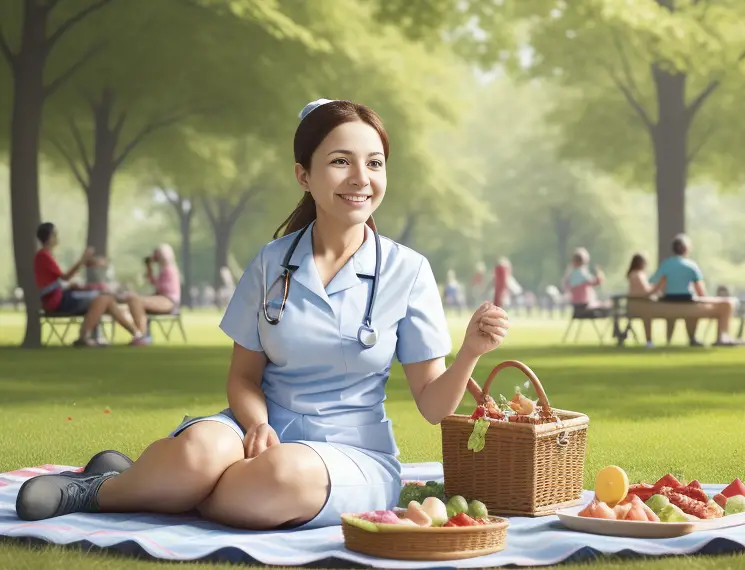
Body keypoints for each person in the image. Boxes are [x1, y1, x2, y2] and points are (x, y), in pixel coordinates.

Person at [16, 99, 510, 530]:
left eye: (375, 163)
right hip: (258, 431)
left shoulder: (408, 270)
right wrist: (254, 425)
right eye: (341, 162)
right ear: (304, 175)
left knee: (279, 477)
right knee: (199, 453)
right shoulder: (272, 263)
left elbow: (432, 407)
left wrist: (469, 351)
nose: (361, 178)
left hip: (351, 454)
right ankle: (99, 489)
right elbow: (244, 378)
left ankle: (160, 484)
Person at [33, 222, 148, 347]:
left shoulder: (46, 256)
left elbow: (56, 281)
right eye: (55, 235)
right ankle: (85, 336)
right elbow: (65, 277)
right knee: (104, 299)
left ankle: (136, 335)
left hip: (61, 297)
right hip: (56, 301)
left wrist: (82, 268)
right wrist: (82, 261)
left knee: (106, 300)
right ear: (49, 237)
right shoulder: (43, 256)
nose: (57, 238)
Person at [650, 234, 745, 347]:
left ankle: (681, 338)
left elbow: (655, 283)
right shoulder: (691, 266)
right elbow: (701, 293)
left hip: (668, 302)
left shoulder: (666, 264)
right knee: (728, 304)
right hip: (688, 303)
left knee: (691, 305)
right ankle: (721, 337)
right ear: (686, 249)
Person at [119, 244, 182, 340]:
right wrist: (149, 267)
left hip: (169, 301)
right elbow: (154, 283)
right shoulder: (163, 270)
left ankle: (141, 335)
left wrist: (150, 266)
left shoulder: (169, 270)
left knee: (135, 300)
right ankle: (142, 334)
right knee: (132, 302)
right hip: (163, 299)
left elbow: (160, 288)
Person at [562, 247, 610, 318]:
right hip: (584, 307)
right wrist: (599, 272)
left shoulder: (570, 273)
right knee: (607, 308)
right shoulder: (581, 274)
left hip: (577, 307)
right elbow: (597, 282)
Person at [625, 253, 661, 347]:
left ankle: (649, 340)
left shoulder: (634, 275)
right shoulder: (638, 275)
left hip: (635, 304)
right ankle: (649, 340)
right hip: (639, 305)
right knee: (648, 317)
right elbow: (645, 292)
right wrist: (658, 287)